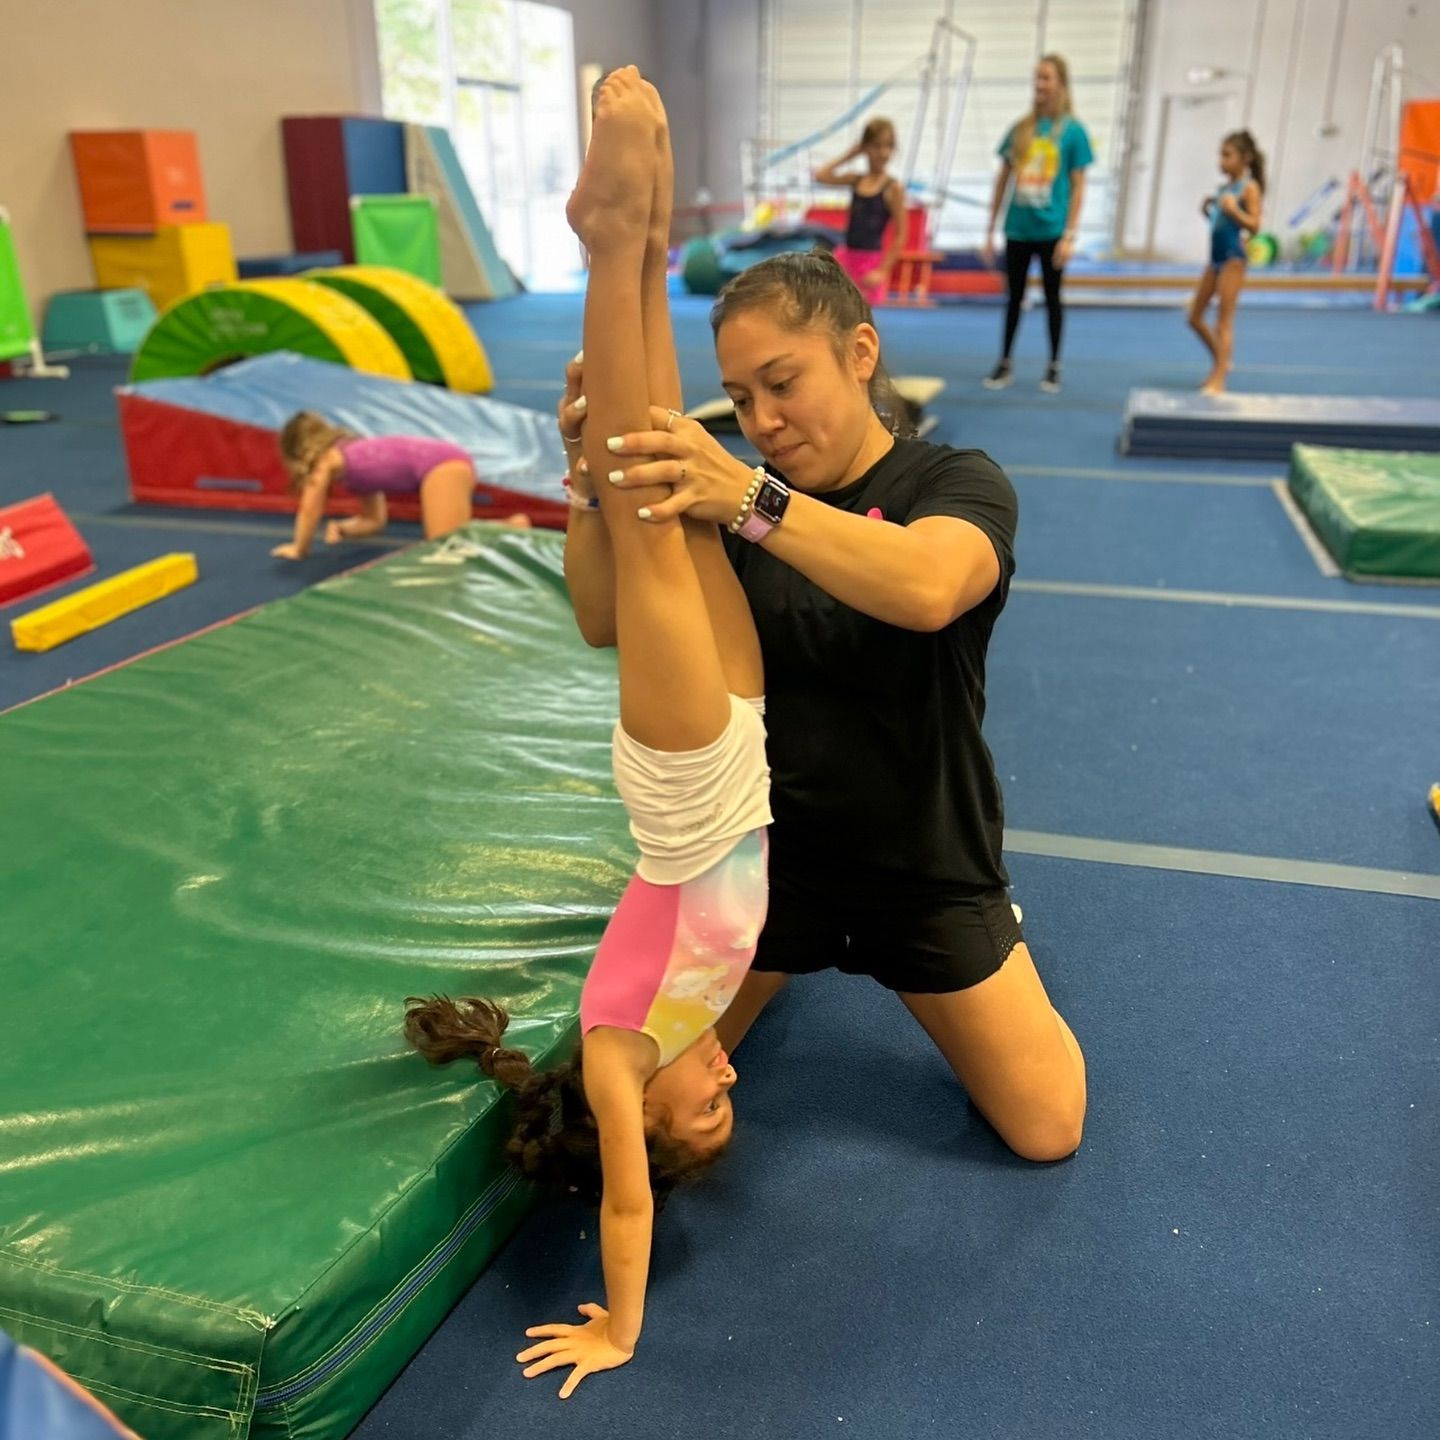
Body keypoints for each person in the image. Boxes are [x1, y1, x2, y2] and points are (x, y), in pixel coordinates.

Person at [407, 68, 771, 1399]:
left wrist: (619, 1327)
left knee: (635, 487)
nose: (725, 1076)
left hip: (684, 781)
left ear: (650, 1131)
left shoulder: (622, 1059)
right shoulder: (701, 1018)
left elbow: (627, 1215)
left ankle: (609, 239)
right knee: (671, 481)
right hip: (747, 744)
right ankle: (658, 247)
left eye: (713, 1104)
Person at [564, 244, 1086, 1172]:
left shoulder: (952, 482)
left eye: (782, 383)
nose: (762, 421)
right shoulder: (728, 501)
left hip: (921, 864)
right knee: (638, 1100)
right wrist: (589, 486)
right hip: (765, 876)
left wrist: (750, 500)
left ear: (859, 352)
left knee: (1048, 1127)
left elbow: (928, 589)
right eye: (742, 397)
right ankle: (788, 964)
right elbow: (606, 620)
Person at [981, 54, 1094, 394]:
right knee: (1013, 297)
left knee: (1052, 297)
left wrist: (1070, 234)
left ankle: (1054, 364)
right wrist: (990, 229)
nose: (1039, 85)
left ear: (1061, 83)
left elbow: (1078, 186)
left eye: (1046, 78)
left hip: (1051, 230)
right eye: (1037, 78)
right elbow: (1002, 179)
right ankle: (1004, 362)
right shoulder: (1021, 129)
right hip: (1018, 227)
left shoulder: (1073, 132)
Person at [270, 415, 480, 559]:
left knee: (446, 549)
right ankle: (511, 524)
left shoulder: (327, 459)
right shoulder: (354, 468)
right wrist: (345, 529)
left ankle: (511, 526)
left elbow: (310, 510)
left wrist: (299, 548)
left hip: (440, 466)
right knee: (450, 547)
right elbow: (374, 521)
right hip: (445, 462)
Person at [1189, 131, 1265, 395]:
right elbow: (1220, 224)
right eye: (1220, 154)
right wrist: (1209, 210)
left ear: (1245, 159)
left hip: (1234, 258)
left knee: (1223, 321)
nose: (1221, 161)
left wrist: (1235, 210)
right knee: (1194, 316)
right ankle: (1222, 361)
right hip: (1215, 258)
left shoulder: (1249, 187)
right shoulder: (1223, 189)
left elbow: (1255, 225)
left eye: (1227, 155)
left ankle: (1219, 377)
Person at [812, 118, 906, 308]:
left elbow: (901, 234)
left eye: (888, 147)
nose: (883, 153)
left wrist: (882, 271)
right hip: (846, 257)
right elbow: (821, 175)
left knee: (861, 319)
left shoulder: (892, 187)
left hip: (870, 262)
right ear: (865, 148)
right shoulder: (856, 180)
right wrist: (850, 154)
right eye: (876, 146)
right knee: (837, 313)